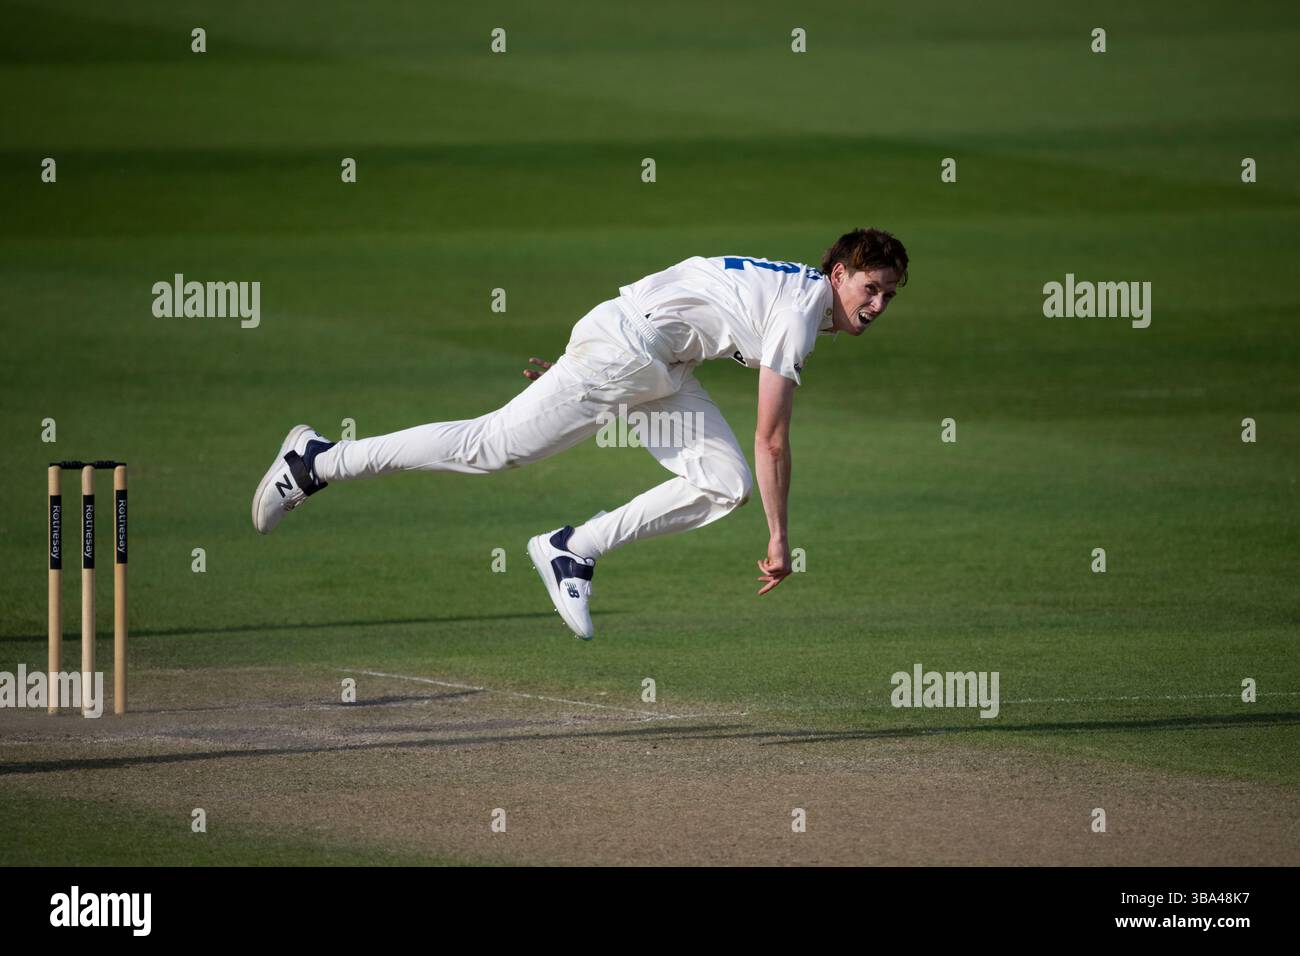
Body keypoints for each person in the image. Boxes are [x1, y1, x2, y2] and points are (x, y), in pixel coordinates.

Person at [251, 227, 908, 640]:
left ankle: (574, 548)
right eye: (872, 288)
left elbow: (686, 291)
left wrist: (585, 368)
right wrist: (779, 537)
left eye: (889, 297)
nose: (877, 307)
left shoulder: (795, 292)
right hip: (629, 354)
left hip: (651, 362)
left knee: (722, 484)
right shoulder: (800, 312)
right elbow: (771, 439)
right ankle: (318, 460)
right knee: (490, 447)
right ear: (841, 272)